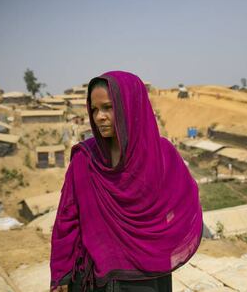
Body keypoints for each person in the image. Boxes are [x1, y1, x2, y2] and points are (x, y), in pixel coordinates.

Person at [50, 71, 203, 292]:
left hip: (146, 278)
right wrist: (61, 276)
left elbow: (182, 204)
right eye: (94, 109)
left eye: (108, 107)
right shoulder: (85, 160)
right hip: (92, 281)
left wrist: (158, 245)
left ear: (130, 106)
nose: (99, 116)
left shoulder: (161, 156)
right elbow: (67, 219)